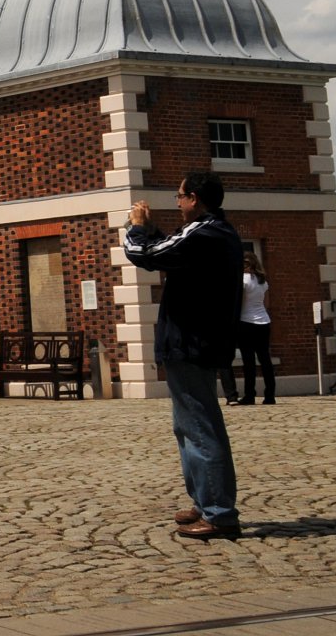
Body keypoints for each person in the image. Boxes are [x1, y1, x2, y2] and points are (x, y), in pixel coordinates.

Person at [124, 170, 245, 541]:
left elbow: (143, 254)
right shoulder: (210, 233)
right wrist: (153, 230)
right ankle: (204, 502)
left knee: (201, 428)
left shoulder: (205, 232)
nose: (177, 203)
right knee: (188, 426)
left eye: (179, 196)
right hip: (195, 342)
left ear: (194, 198)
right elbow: (172, 251)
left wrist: (136, 227)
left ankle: (220, 514)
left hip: (192, 343)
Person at [234, 251, 276, 406]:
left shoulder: (243, 281)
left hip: (246, 321)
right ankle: (270, 394)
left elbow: (240, 302)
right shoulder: (263, 281)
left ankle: (249, 395)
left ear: (247, 265)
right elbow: (267, 304)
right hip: (264, 322)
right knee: (265, 359)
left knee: (248, 360)